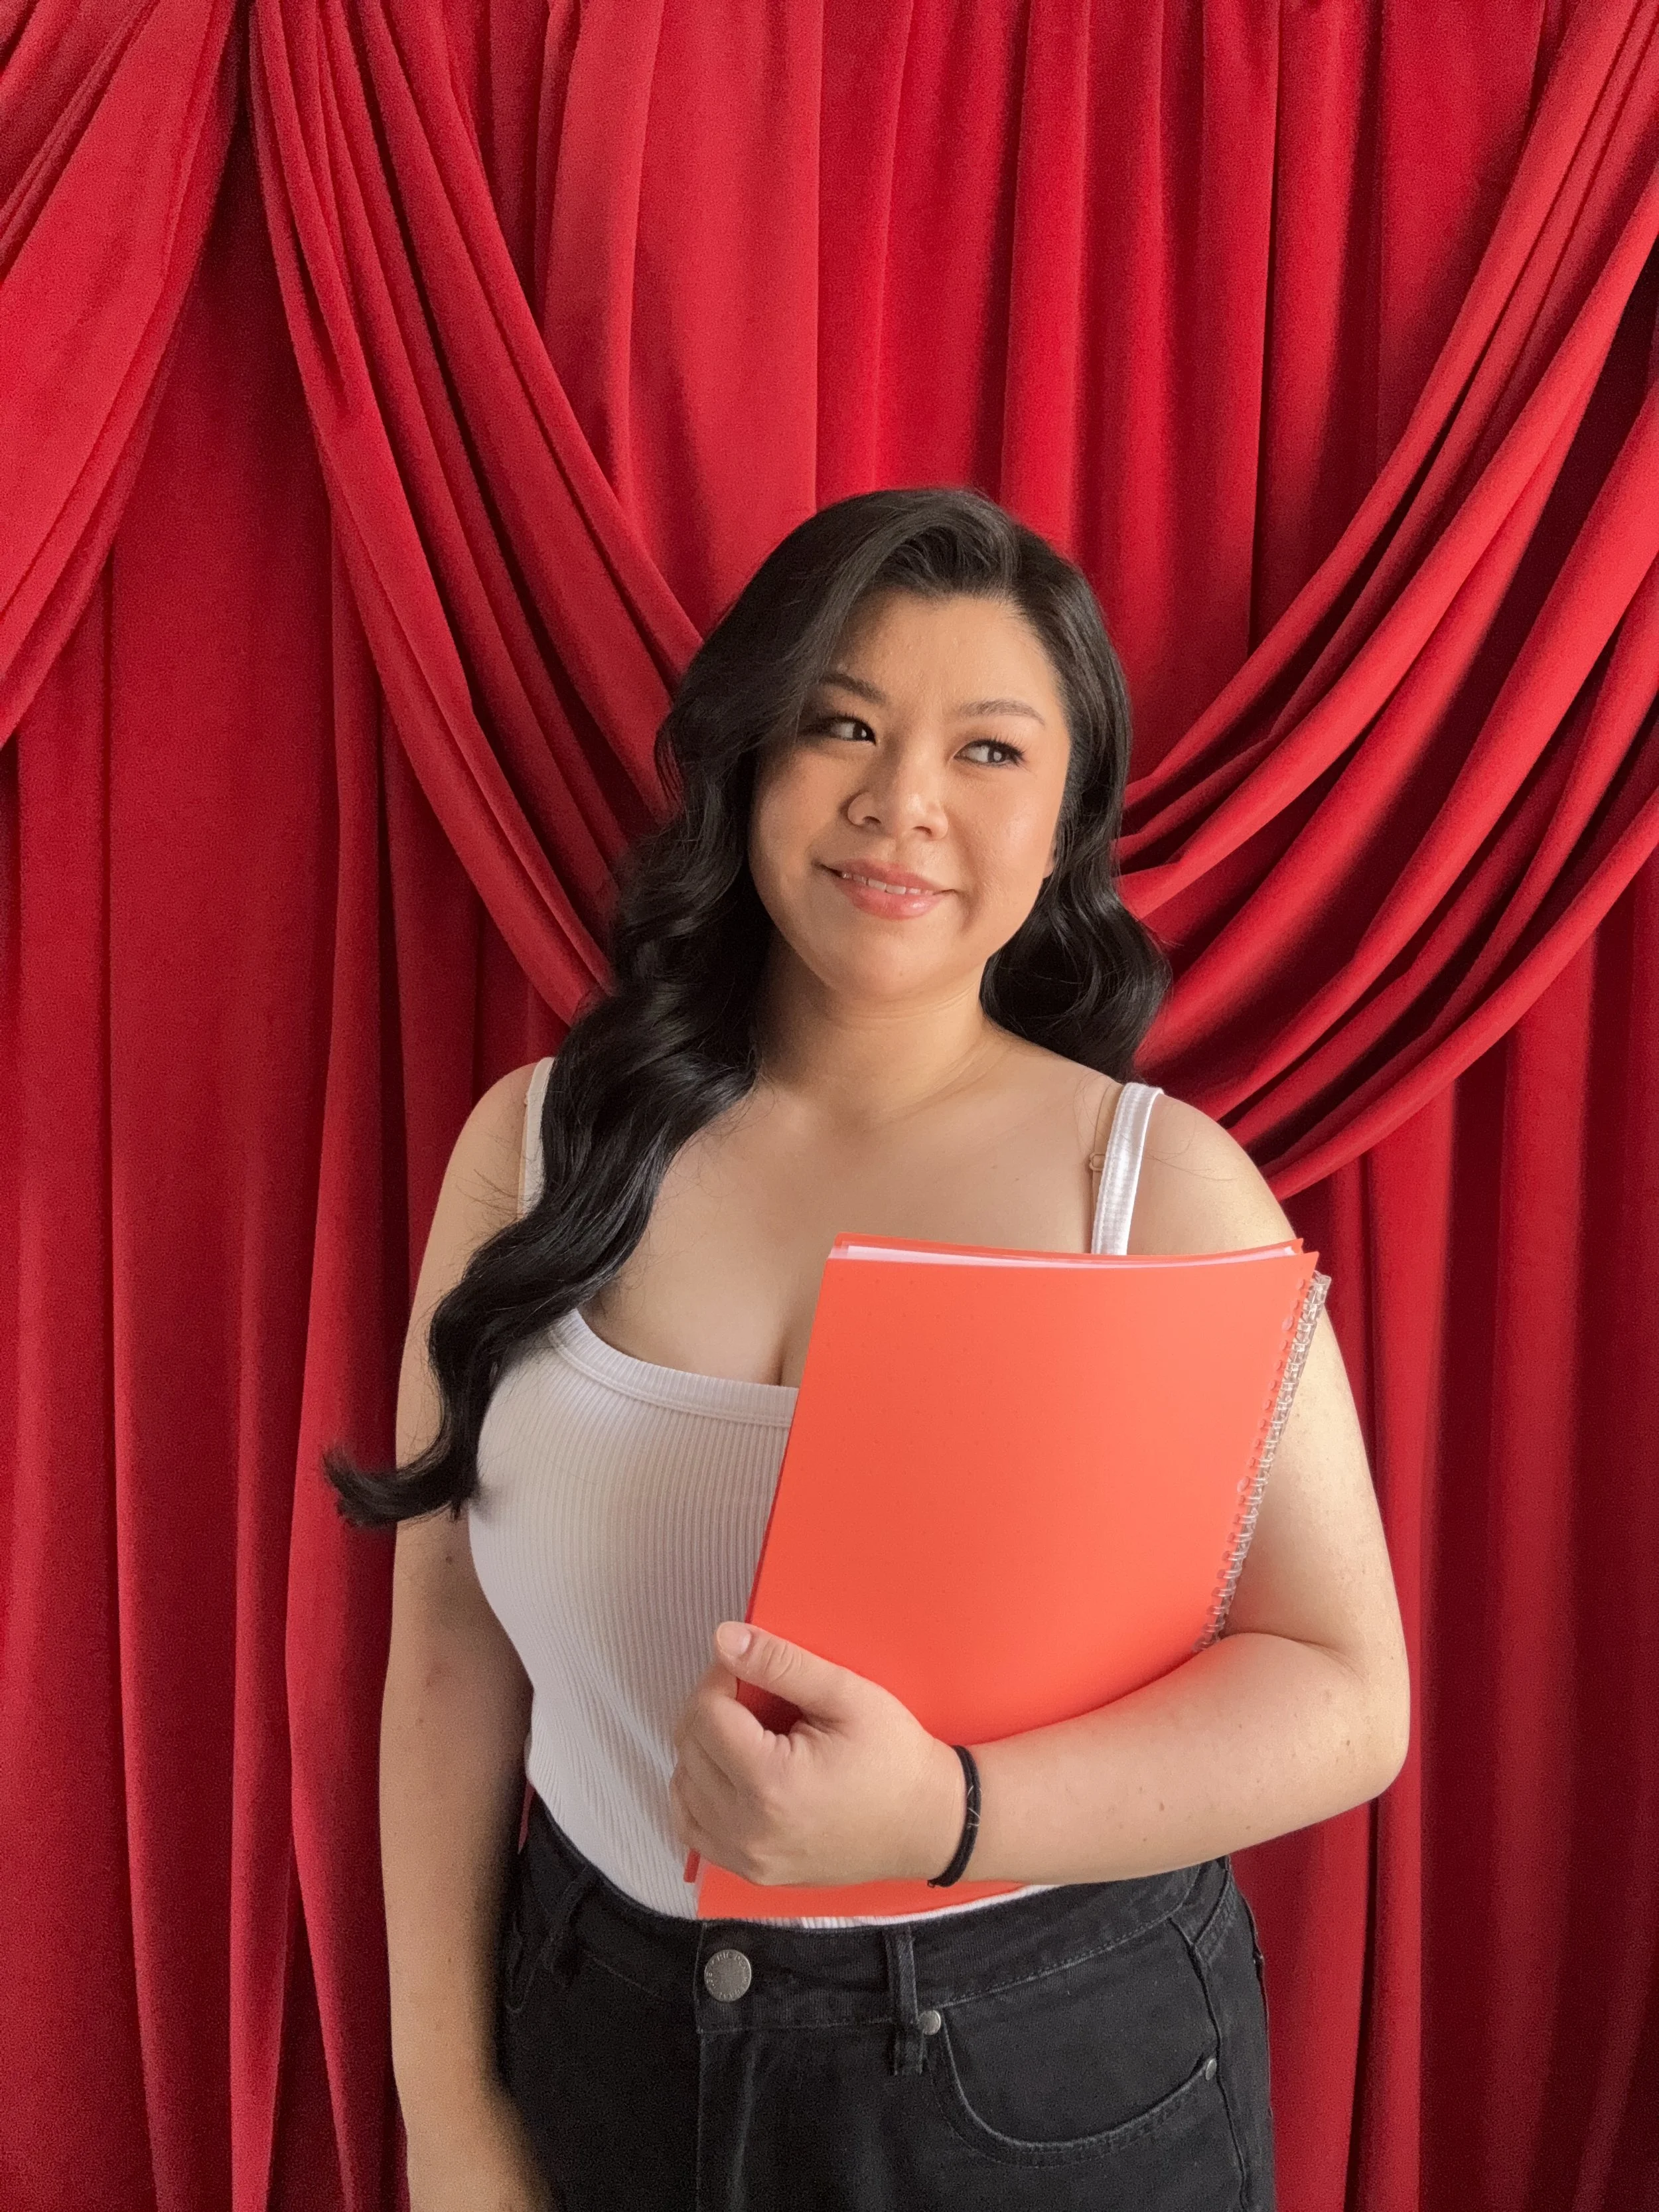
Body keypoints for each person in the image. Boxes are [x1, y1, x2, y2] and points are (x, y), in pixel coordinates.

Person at [326, 486, 1410, 2212]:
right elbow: (450, 1642)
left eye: (987, 749)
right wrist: (444, 2106)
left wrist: (944, 1815)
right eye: (842, 722)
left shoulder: (1155, 1187)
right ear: (749, 754)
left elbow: (1346, 1695)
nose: (900, 801)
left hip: (1038, 2065)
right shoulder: (531, 1145)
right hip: (604, 2029)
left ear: (1067, 820)